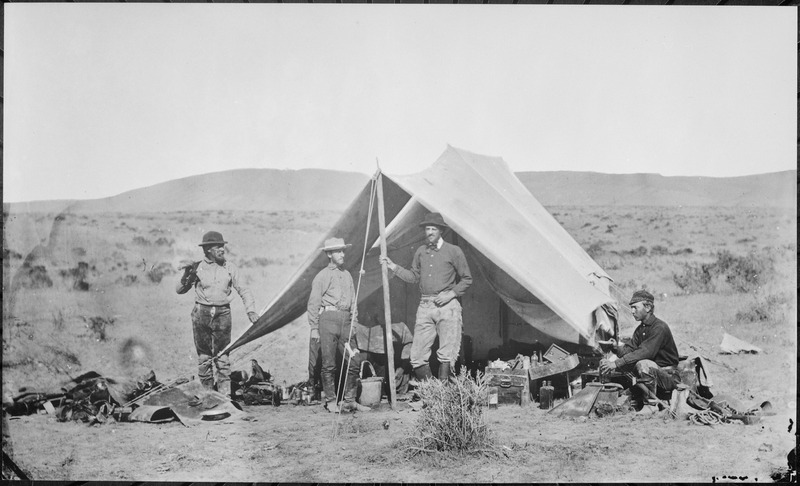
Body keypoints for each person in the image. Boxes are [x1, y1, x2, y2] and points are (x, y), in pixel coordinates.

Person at [380, 212, 473, 382]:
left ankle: (442, 398)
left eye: (433, 229)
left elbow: (467, 279)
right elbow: (413, 277)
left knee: (446, 355)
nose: (429, 232)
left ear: (441, 231)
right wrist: (393, 266)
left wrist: (451, 294)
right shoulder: (421, 252)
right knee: (416, 356)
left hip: (448, 307)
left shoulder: (454, 251)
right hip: (425, 306)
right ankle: (434, 392)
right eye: (427, 229)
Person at [176, 231, 259, 398]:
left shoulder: (230, 267)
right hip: (201, 314)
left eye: (222, 246)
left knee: (222, 356)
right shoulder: (196, 267)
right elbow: (180, 290)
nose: (222, 249)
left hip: (223, 315)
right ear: (207, 250)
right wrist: (187, 274)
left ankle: (224, 397)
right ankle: (207, 396)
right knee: (204, 357)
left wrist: (250, 310)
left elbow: (244, 289)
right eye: (217, 247)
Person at [307, 237, 370, 413]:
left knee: (355, 360)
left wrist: (354, 321)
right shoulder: (322, 276)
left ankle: (349, 400)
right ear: (328, 254)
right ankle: (331, 401)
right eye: (337, 251)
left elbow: (353, 301)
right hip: (327, 320)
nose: (342, 254)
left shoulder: (348, 275)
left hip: (346, 322)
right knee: (328, 363)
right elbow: (313, 304)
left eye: (343, 251)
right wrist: (314, 328)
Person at [599, 289, 681, 405]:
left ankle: (650, 405)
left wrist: (616, 363)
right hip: (654, 374)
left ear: (647, 307)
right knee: (628, 365)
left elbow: (645, 352)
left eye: (635, 307)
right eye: (631, 307)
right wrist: (615, 347)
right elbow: (630, 350)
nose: (632, 311)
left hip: (668, 376)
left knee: (642, 364)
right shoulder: (641, 329)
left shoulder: (659, 327)